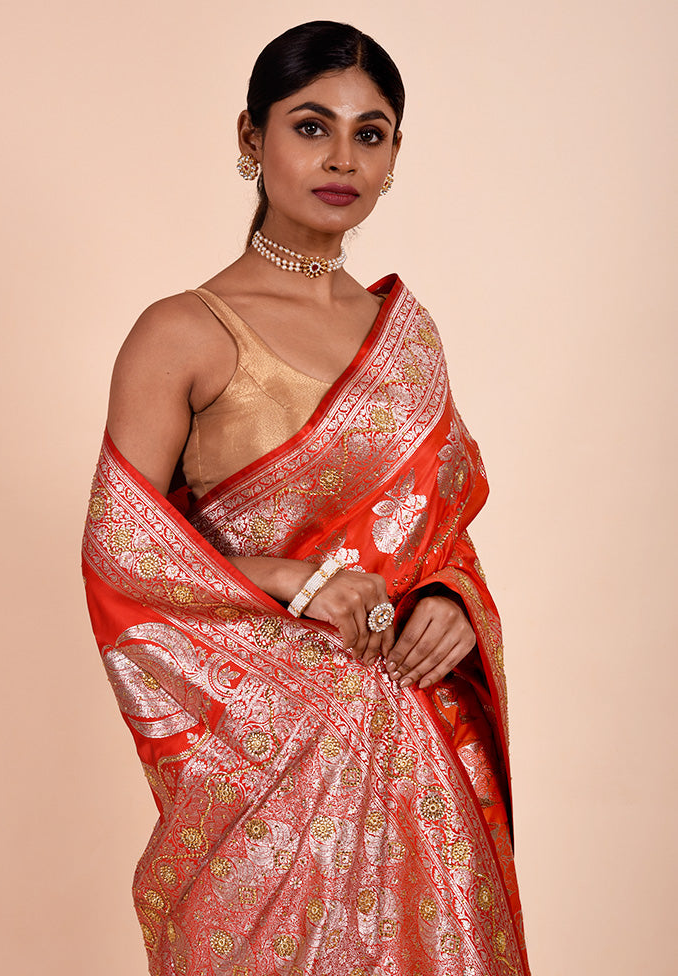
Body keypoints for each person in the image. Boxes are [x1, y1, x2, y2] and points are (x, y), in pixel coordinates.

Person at [83, 20, 531, 976]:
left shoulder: (403, 334)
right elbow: (125, 558)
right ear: (251, 139)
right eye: (310, 126)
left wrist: (450, 599)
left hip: (418, 756)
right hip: (269, 772)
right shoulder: (183, 332)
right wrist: (297, 577)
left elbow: (438, 530)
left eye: (371, 134)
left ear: (395, 155)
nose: (342, 158)